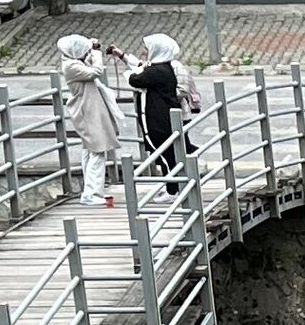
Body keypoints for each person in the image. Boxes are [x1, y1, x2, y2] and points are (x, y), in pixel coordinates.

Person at [56, 28, 126, 202]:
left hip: (88, 109)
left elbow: (88, 64)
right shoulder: (72, 67)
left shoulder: (72, 61)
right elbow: (96, 71)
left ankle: (91, 190)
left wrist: (89, 47)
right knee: (98, 150)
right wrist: (95, 52)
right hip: (87, 111)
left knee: (91, 149)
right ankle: (92, 194)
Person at [130, 28, 203, 175]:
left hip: (160, 118)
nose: (145, 52)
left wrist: (134, 73)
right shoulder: (164, 68)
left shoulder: (157, 71)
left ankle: (173, 188)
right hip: (167, 116)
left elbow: (135, 80)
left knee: (164, 152)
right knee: (173, 150)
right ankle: (179, 182)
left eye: (148, 49)